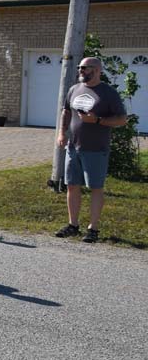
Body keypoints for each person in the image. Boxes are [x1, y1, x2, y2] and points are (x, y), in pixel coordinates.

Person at [55, 56, 128, 243]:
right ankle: (73, 225)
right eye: (80, 67)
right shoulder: (74, 89)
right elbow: (66, 112)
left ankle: (93, 229)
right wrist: (62, 133)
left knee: (95, 188)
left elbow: (121, 120)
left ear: (97, 70)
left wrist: (97, 120)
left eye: (85, 68)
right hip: (74, 147)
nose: (80, 71)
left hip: (96, 149)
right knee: (72, 185)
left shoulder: (108, 93)